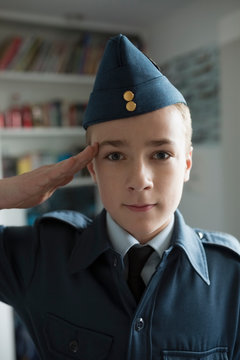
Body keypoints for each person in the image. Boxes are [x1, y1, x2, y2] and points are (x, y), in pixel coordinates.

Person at [0, 34, 240, 360]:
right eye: (115, 156)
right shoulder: (41, 257)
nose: (139, 181)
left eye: (161, 154)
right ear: (93, 169)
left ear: (186, 163)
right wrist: (9, 192)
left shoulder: (231, 275)